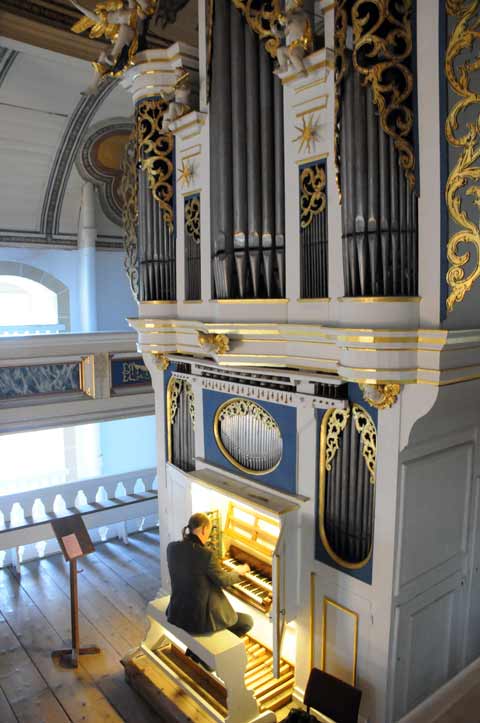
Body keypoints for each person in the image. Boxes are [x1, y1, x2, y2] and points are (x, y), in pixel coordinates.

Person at [166, 512, 254, 643]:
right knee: (247, 621)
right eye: (210, 530)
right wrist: (238, 572)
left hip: (177, 610)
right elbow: (223, 580)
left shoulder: (172, 547)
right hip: (198, 620)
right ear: (204, 529)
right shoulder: (206, 555)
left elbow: (193, 567)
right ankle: (221, 648)